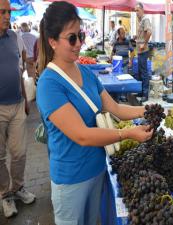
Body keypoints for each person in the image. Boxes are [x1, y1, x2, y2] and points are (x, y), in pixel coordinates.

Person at [36, 2, 153, 225]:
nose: (79, 43)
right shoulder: (49, 84)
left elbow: (116, 108)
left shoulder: (86, 73)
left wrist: (150, 109)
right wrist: (127, 134)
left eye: (80, 35)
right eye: (72, 38)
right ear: (52, 42)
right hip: (70, 181)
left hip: (97, 171)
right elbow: (82, 134)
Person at [0, 0, 35, 218]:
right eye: (2, 12)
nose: (7, 15)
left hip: (17, 104)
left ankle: (18, 187)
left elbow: (20, 66)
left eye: (9, 11)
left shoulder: (15, 37)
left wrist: (26, 97)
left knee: (19, 152)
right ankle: (5, 194)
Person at [135, 2, 152, 102]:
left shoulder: (145, 19)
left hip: (143, 50)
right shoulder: (141, 20)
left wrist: (144, 44)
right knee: (140, 72)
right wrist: (137, 38)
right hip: (140, 50)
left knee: (144, 72)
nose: (136, 12)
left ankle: (145, 94)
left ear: (142, 10)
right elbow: (143, 33)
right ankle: (141, 91)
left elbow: (149, 32)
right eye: (135, 11)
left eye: (137, 10)